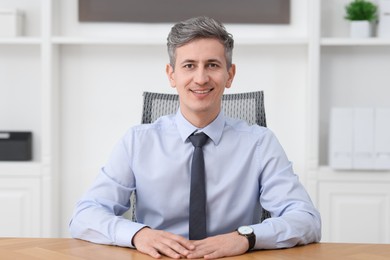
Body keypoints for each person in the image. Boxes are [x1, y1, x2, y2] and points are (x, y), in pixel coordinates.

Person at [69, 16, 321, 259]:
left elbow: (306, 219)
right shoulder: (138, 141)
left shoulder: (259, 143)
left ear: (230, 75)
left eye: (212, 65)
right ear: (171, 75)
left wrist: (245, 237)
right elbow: (85, 214)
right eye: (189, 65)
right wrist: (138, 235)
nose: (200, 78)